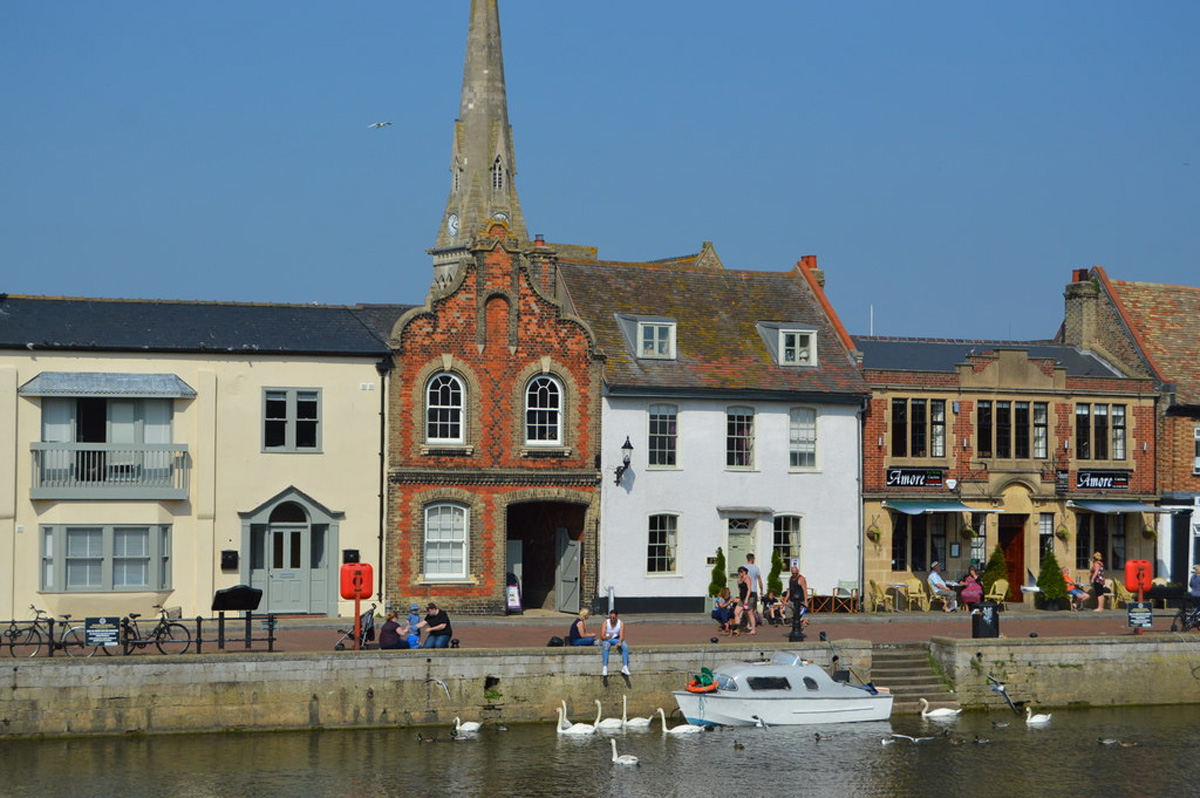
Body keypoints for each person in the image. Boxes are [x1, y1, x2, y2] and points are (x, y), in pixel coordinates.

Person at [600, 609, 630, 676]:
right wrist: (608, 637)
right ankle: (605, 667)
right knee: (606, 647)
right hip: (607, 639)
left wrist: (620, 641)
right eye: (610, 617)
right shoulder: (605, 623)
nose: (612, 619)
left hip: (616, 639)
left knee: (625, 646)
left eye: (613, 618)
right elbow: (602, 636)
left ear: (617, 617)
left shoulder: (621, 623)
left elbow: (622, 635)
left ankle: (625, 666)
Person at [743, 553, 764, 634]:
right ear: (752, 559)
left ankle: (749, 623)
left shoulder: (743, 567)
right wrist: (761, 590)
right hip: (753, 591)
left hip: (745, 591)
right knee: (752, 609)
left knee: (746, 608)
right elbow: (759, 580)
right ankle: (750, 624)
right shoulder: (756, 568)